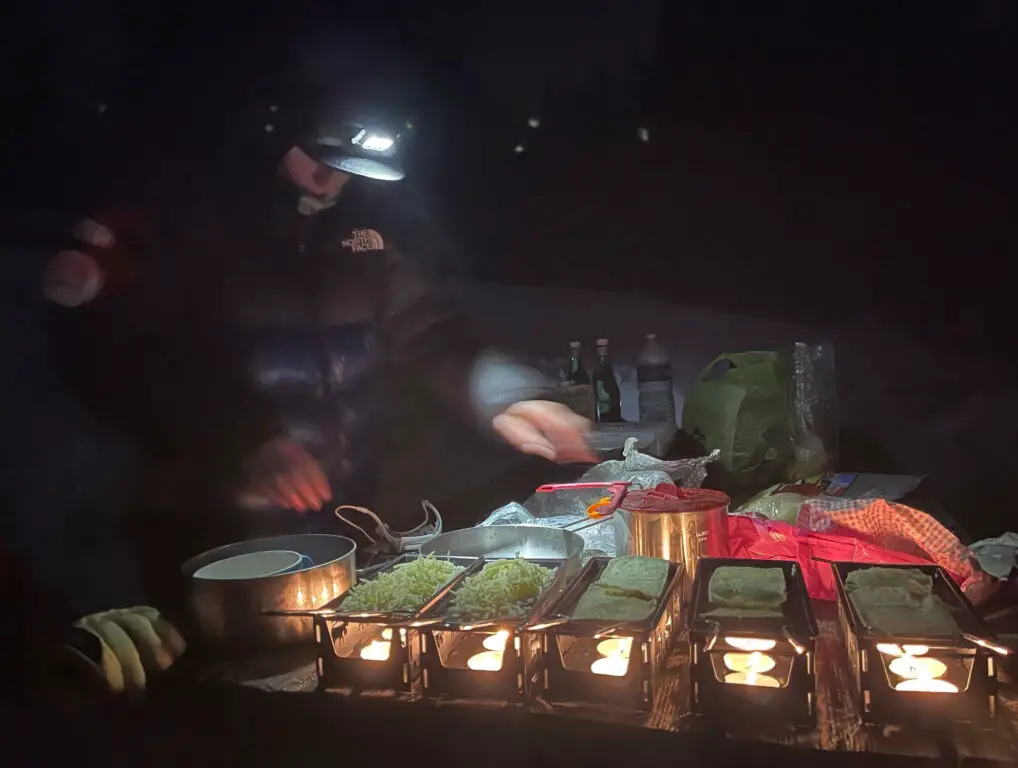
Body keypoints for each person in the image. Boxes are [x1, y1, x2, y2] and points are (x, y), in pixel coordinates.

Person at [21, 37, 594, 696]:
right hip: (212, 550)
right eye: (320, 158)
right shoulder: (184, 216)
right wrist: (242, 437)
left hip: (343, 533)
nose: (332, 180)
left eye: (349, 165)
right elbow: (108, 357)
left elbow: (434, 336)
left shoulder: (365, 228)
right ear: (274, 127)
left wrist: (505, 394)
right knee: (225, 708)